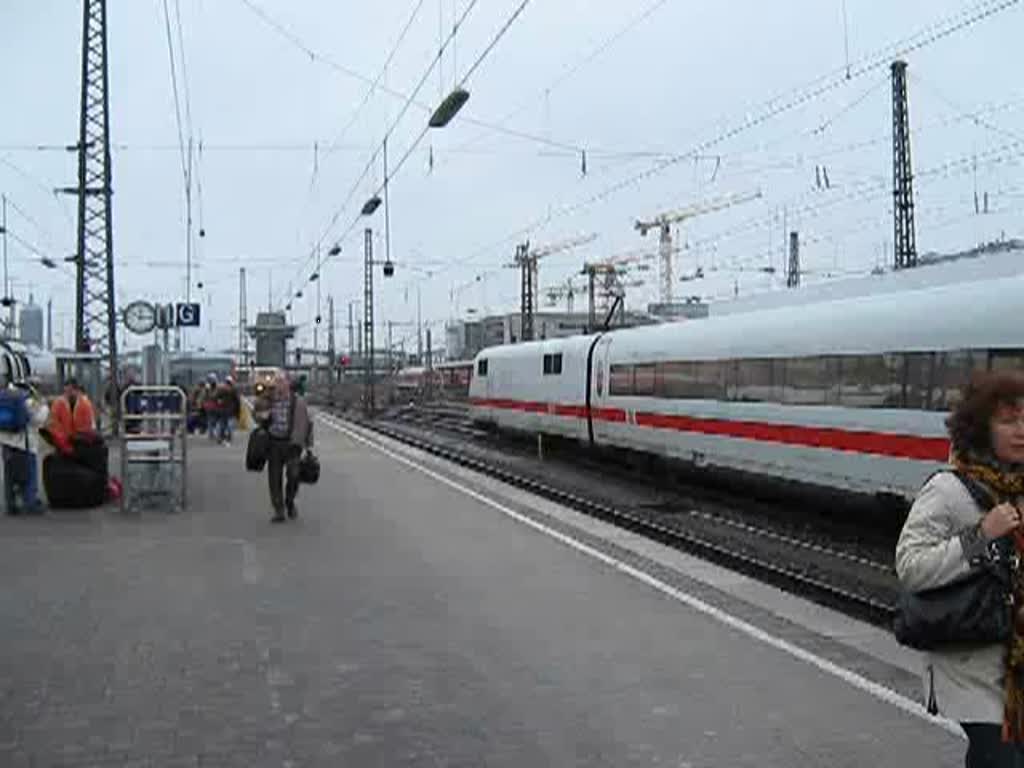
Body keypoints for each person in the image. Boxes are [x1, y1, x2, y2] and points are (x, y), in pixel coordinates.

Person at [896, 370, 1024, 766]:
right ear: (981, 429)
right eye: (1008, 420)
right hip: (972, 667)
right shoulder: (948, 490)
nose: (1022, 430)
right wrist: (981, 536)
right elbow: (911, 565)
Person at [258, 375, 313, 523]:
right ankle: (278, 510)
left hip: (292, 444)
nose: (279, 385)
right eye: (277, 383)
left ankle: (289, 501)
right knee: (274, 479)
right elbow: (256, 413)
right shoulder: (269, 400)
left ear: (288, 384)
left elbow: (307, 424)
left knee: (294, 475)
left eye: (282, 382)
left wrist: (308, 446)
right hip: (274, 442)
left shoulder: (298, 402)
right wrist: (262, 415)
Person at [0, 380, 48, 514]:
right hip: (24, 444)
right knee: (29, 476)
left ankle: (11, 504)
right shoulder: (26, 400)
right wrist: (43, 406)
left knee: (9, 476)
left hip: (6, 443)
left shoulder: (3, 396)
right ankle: (30, 503)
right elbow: (39, 419)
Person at [46, 378, 96, 453]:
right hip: (62, 443)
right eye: (65, 391)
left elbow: (88, 425)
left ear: (77, 390)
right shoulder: (58, 404)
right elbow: (54, 425)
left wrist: (79, 438)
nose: (67, 394)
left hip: (80, 442)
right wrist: (63, 443)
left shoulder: (85, 404)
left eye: (70, 391)